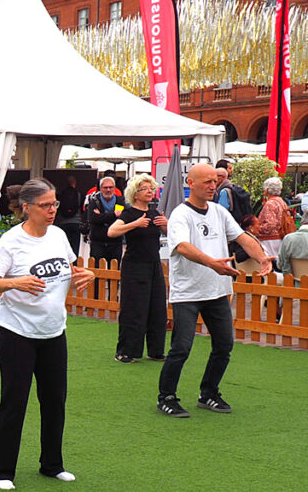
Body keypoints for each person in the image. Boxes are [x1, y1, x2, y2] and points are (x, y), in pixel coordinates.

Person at [0, 178, 94, 490]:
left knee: (55, 400)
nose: (52, 210)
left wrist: (84, 274)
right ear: (26, 208)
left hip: (54, 331)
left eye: (54, 203)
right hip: (16, 332)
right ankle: (0, 472)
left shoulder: (57, 235)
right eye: (45, 205)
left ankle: (52, 464)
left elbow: (68, 268)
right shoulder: (11, 242)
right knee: (14, 401)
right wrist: (15, 283)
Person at [156, 163, 271, 418]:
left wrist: (262, 257)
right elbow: (182, 247)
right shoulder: (180, 215)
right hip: (188, 292)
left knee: (224, 345)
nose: (212, 186)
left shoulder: (219, 211)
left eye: (215, 181)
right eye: (207, 181)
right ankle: (166, 397)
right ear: (191, 183)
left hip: (217, 291)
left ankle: (208, 393)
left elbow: (242, 237)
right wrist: (212, 263)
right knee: (181, 348)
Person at [107, 174, 168, 363]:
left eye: (151, 188)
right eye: (145, 189)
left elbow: (171, 235)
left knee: (157, 307)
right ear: (135, 193)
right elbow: (112, 232)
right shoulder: (129, 213)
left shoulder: (155, 213)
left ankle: (155, 350)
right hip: (135, 265)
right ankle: (126, 351)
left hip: (154, 265)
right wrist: (135, 224)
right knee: (134, 309)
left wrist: (167, 226)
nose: (150, 192)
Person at [256, 177, 288, 261]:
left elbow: (270, 224)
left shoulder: (270, 203)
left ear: (267, 190)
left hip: (270, 239)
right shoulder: (282, 202)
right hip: (281, 236)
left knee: (271, 262)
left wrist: (257, 229)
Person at [55, 174, 83, 255]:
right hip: (75, 223)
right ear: (75, 183)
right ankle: (74, 264)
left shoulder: (61, 194)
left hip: (63, 223)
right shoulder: (79, 194)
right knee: (75, 246)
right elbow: (81, 208)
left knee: (64, 246)